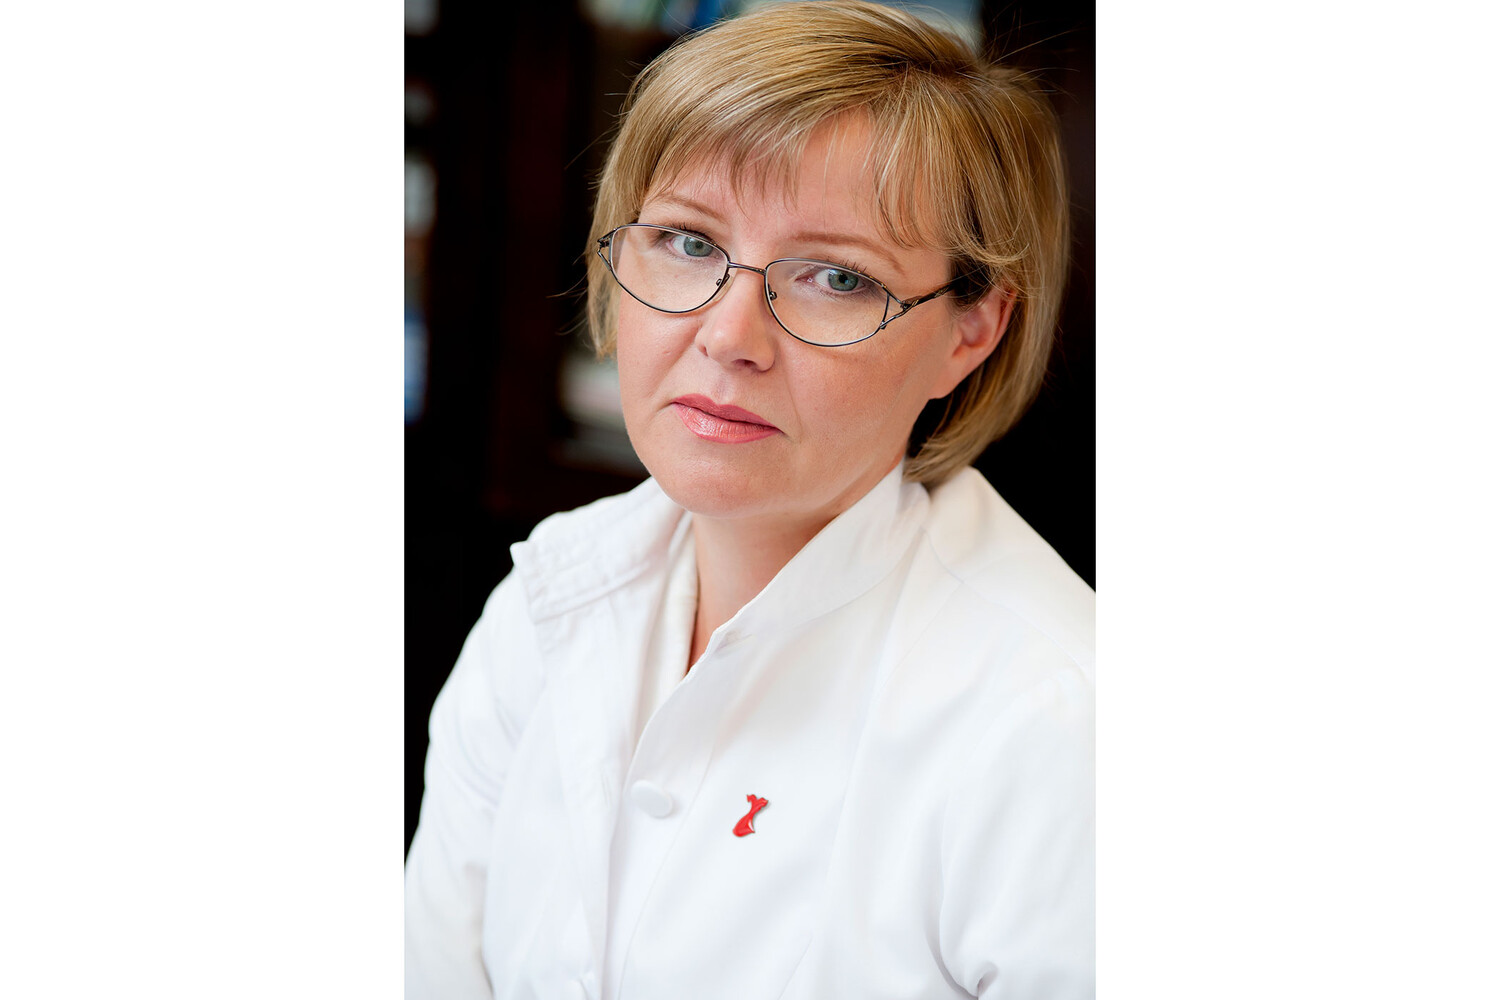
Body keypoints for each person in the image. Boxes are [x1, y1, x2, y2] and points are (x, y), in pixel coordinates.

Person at [405, 2, 1093, 998]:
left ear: (971, 330)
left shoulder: (1056, 719)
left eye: (836, 277)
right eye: (688, 242)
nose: (730, 336)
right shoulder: (547, 603)